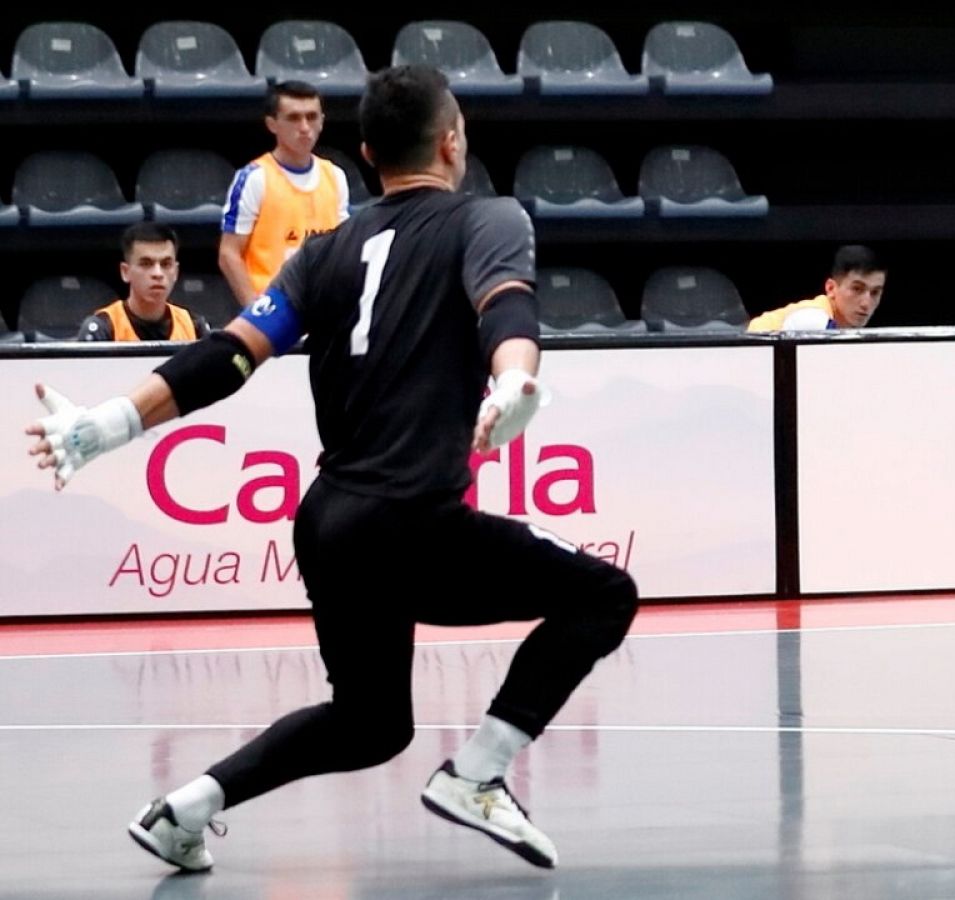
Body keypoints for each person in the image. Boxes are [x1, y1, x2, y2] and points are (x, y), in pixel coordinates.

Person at [26, 65, 637, 872]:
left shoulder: (323, 253)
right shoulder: (488, 218)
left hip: (331, 523)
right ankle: (480, 774)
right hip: (414, 518)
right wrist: (517, 380)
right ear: (452, 142)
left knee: (372, 724)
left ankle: (184, 810)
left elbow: (228, 357)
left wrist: (108, 423)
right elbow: (508, 311)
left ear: (366, 154)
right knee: (604, 595)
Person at [219, 80, 351, 306]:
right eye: (293, 118)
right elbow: (229, 254)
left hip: (325, 311)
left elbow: (342, 249)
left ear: (322, 121)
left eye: (311, 117)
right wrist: (256, 313)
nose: (304, 127)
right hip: (275, 310)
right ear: (272, 124)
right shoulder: (254, 178)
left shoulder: (335, 176)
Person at [79, 223, 210, 342]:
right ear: (125, 272)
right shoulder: (103, 328)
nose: (157, 273)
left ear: (175, 272)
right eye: (146, 264)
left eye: (166, 264)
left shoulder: (194, 326)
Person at [747, 245, 887, 331]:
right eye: (857, 289)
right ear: (831, 288)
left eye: (875, 292)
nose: (866, 303)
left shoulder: (838, 325)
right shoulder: (813, 320)